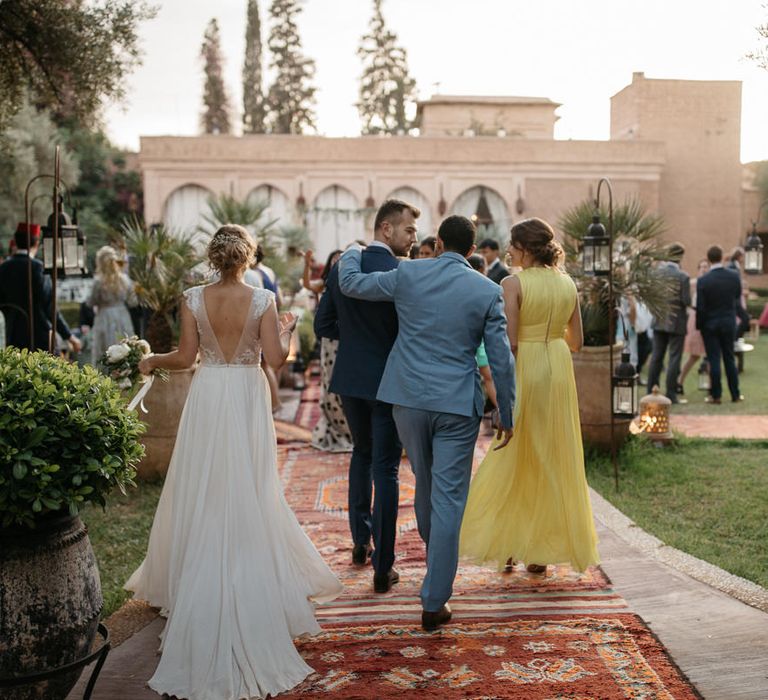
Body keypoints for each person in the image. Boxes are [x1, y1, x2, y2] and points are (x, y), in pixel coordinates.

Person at [126, 225, 342, 700]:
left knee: (203, 482)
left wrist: (149, 360)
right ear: (247, 258)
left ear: (213, 257)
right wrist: (284, 333)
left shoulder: (192, 298)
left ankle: (194, 575)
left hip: (209, 392)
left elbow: (184, 358)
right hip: (245, 393)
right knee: (250, 483)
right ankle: (243, 564)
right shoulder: (263, 300)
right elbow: (275, 360)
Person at [338, 215, 516, 632]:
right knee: (450, 497)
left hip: (409, 399)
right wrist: (506, 411)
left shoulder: (408, 273)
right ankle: (434, 600)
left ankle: (436, 553)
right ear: (471, 251)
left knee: (424, 479)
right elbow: (501, 359)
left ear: (437, 244)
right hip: (457, 402)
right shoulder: (487, 290)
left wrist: (352, 252)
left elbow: (352, 284)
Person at [460, 217, 599, 577]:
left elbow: (513, 341)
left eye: (512, 245)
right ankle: (540, 551)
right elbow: (578, 342)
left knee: (518, 453)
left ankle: (508, 545)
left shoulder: (513, 283)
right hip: (558, 366)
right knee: (554, 454)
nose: (508, 250)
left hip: (527, 367)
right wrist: (552, 339)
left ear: (524, 248)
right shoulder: (568, 283)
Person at [314, 198, 419, 592]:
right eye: (409, 230)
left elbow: (324, 323)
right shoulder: (404, 273)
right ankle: (383, 565)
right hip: (390, 380)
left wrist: (356, 340)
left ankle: (361, 541)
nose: (414, 238)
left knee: (361, 453)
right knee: (386, 468)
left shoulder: (345, 267)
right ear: (386, 229)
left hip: (351, 378)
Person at [0, 223, 81, 354]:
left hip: (13, 334)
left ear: (15, 241)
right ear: (37, 243)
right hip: (39, 335)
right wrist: (68, 336)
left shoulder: (3, 268)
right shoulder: (38, 268)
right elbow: (49, 306)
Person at [306, 247, 354, 452]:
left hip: (344, 340)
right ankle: (335, 427)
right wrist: (306, 265)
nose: (337, 262)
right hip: (330, 341)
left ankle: (348, 429)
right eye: (334, 259)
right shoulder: (326, 284)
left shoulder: (352, 283)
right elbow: (307, 284)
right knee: (330, 383)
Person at [696, 245, 743, 404]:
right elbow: (736, 297)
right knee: (729, 358)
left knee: (714, 359)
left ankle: (716, 395)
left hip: (710, 324)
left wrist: (700, 326)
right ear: (722, 257)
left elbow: (701, 307)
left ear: (708, 259)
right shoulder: (734, 276)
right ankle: (735, 394)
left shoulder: (703, 280)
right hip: (728, 322)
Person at [645, 243, 691, 404]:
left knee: (657, 356)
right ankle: (671, 394)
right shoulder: (683, 277)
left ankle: (651, 389)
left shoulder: (658, 273)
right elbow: (686, 301)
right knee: (674, 358)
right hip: (677, 322)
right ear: (680, 257)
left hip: (659, 320)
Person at [89, 246, 137, 364]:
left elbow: (91, 301)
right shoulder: (124, 279)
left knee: (104, 351)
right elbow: (133, 302)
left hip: (104, 316)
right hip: (122, 315)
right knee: (124, 347)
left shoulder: (98, 281)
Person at [678, 259, 710, 389]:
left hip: (708, 320)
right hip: (695, 319)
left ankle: (710, 385)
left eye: (706, 266)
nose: (704, 269)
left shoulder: (710, 283)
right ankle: (679, 381)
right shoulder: (692, 284)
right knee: (694, 355)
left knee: (710, 354)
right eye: (701, 266)